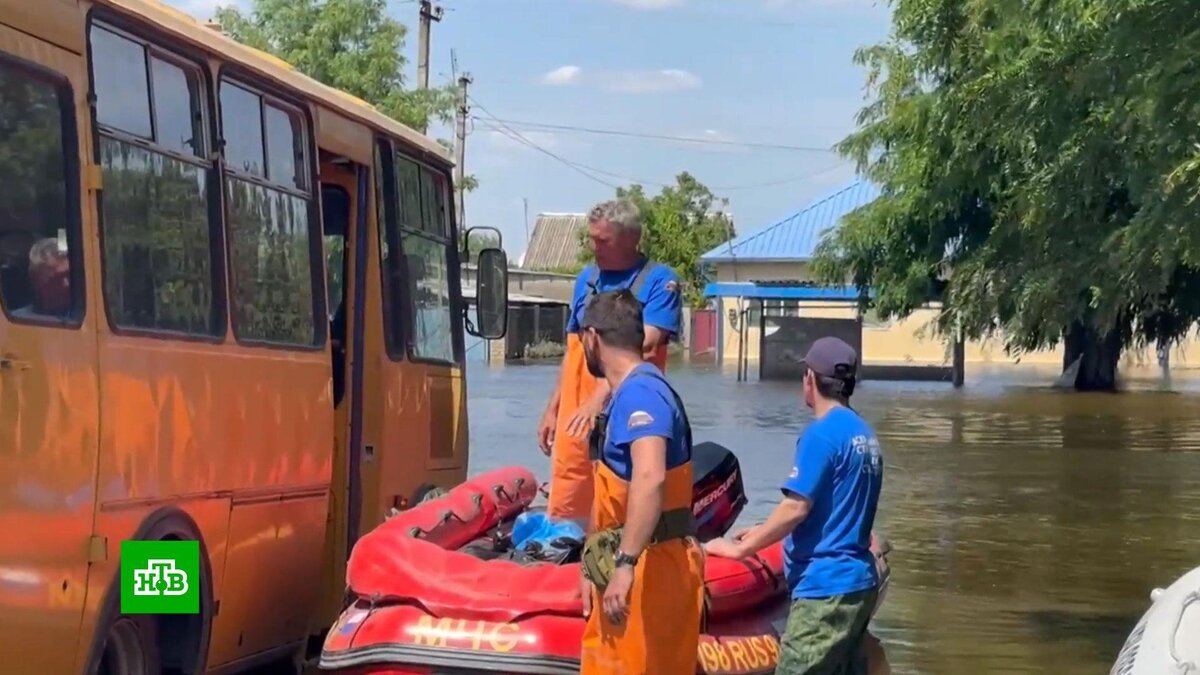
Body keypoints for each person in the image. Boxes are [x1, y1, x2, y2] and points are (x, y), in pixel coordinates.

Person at [704, 336, 884, 675]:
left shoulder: (821, 434)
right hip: (858, 584)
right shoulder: (863, 433)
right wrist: (762, 530)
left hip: (824, 589)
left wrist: (739, 551)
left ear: (811, 379)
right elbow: (836, 507)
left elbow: (796, 508)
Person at [576, 289, 704, 675]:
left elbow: (649, 476)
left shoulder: (641, 394)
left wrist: (626, 564)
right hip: (627, 564)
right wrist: (590, 564)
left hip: (653, 572)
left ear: (592, 337)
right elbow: (615, 498)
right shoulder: (624, 395)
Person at [537, 199, 682, 525]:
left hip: (630, 416)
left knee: (621, 500)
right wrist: (553, 408)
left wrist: (600, 396)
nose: (594, 247)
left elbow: (643, 347)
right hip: (576, 420)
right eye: (591, 238)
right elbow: (573, 349)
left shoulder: (660, 282)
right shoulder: (585, 280)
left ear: (630, 239)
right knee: (568, 510)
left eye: (603, 240)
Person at [10, 237, 70, 319]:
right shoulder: (17, 321)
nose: (67, 284)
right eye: (58, 278)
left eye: (69, 276)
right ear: (37, 281)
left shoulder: (85, 316)